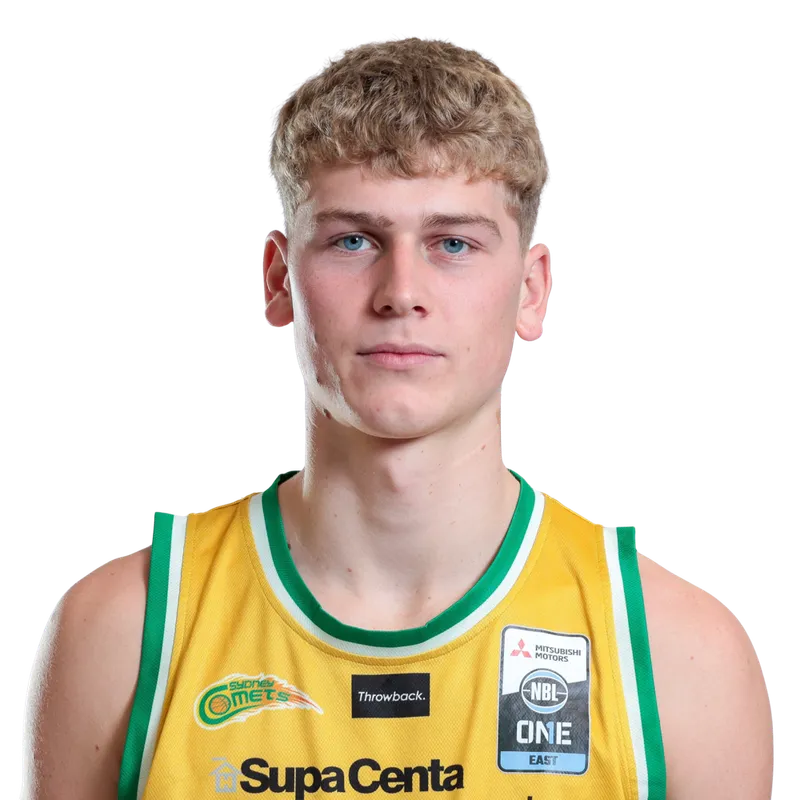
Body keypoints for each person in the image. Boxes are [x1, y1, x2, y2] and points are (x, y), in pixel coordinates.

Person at [23, 35, 773, 799]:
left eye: (453, 243)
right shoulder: (126, 630)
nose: (401, 292)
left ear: (532, 290)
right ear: (276, 281)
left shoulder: (678, 654)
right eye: (353, 241)